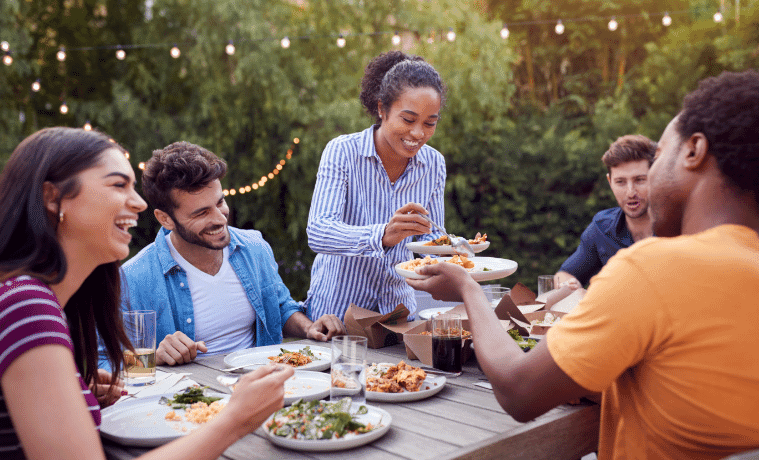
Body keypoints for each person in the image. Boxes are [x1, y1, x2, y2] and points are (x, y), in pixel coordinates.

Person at [408, 69, 759, 459]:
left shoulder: (655, 269)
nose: (640, 185)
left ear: (693, 151)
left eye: (659, 156)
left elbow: (518, 390)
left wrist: (467, 287)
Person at [0, 127, 294, 460]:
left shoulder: (31, 298)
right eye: (117, 185)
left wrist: (80, 391)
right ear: (53, 198)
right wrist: (235, 419)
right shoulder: (26, 307)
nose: (139, 203)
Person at [103, 141, 345, 368]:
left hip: (262, 385)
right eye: (201, 213)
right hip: (191, 405)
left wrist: (309, 328)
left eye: (220, 203)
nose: (220, 219)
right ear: (165, 219)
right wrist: (154, 358)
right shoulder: (133, 279)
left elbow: (280, 307)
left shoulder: (254, 247)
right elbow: (104, 364)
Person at [304, 50, 448, 321]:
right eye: (408, 120)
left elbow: (431, 238)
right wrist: (382, 235)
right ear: (382, 109)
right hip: (335, 316)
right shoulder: (342, 152)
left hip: (397, 314)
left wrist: (451, 250)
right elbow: (319, 232)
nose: (418, 134)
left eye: (430, 123)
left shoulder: (434, 164)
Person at [554, 134, 656, 287]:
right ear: (610, 182)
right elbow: (562, 275)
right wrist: (572, 289)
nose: (630, 192)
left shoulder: (680, 228)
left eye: (640, 180)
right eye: (620, 182)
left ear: (656, 176)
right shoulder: (602, 227)